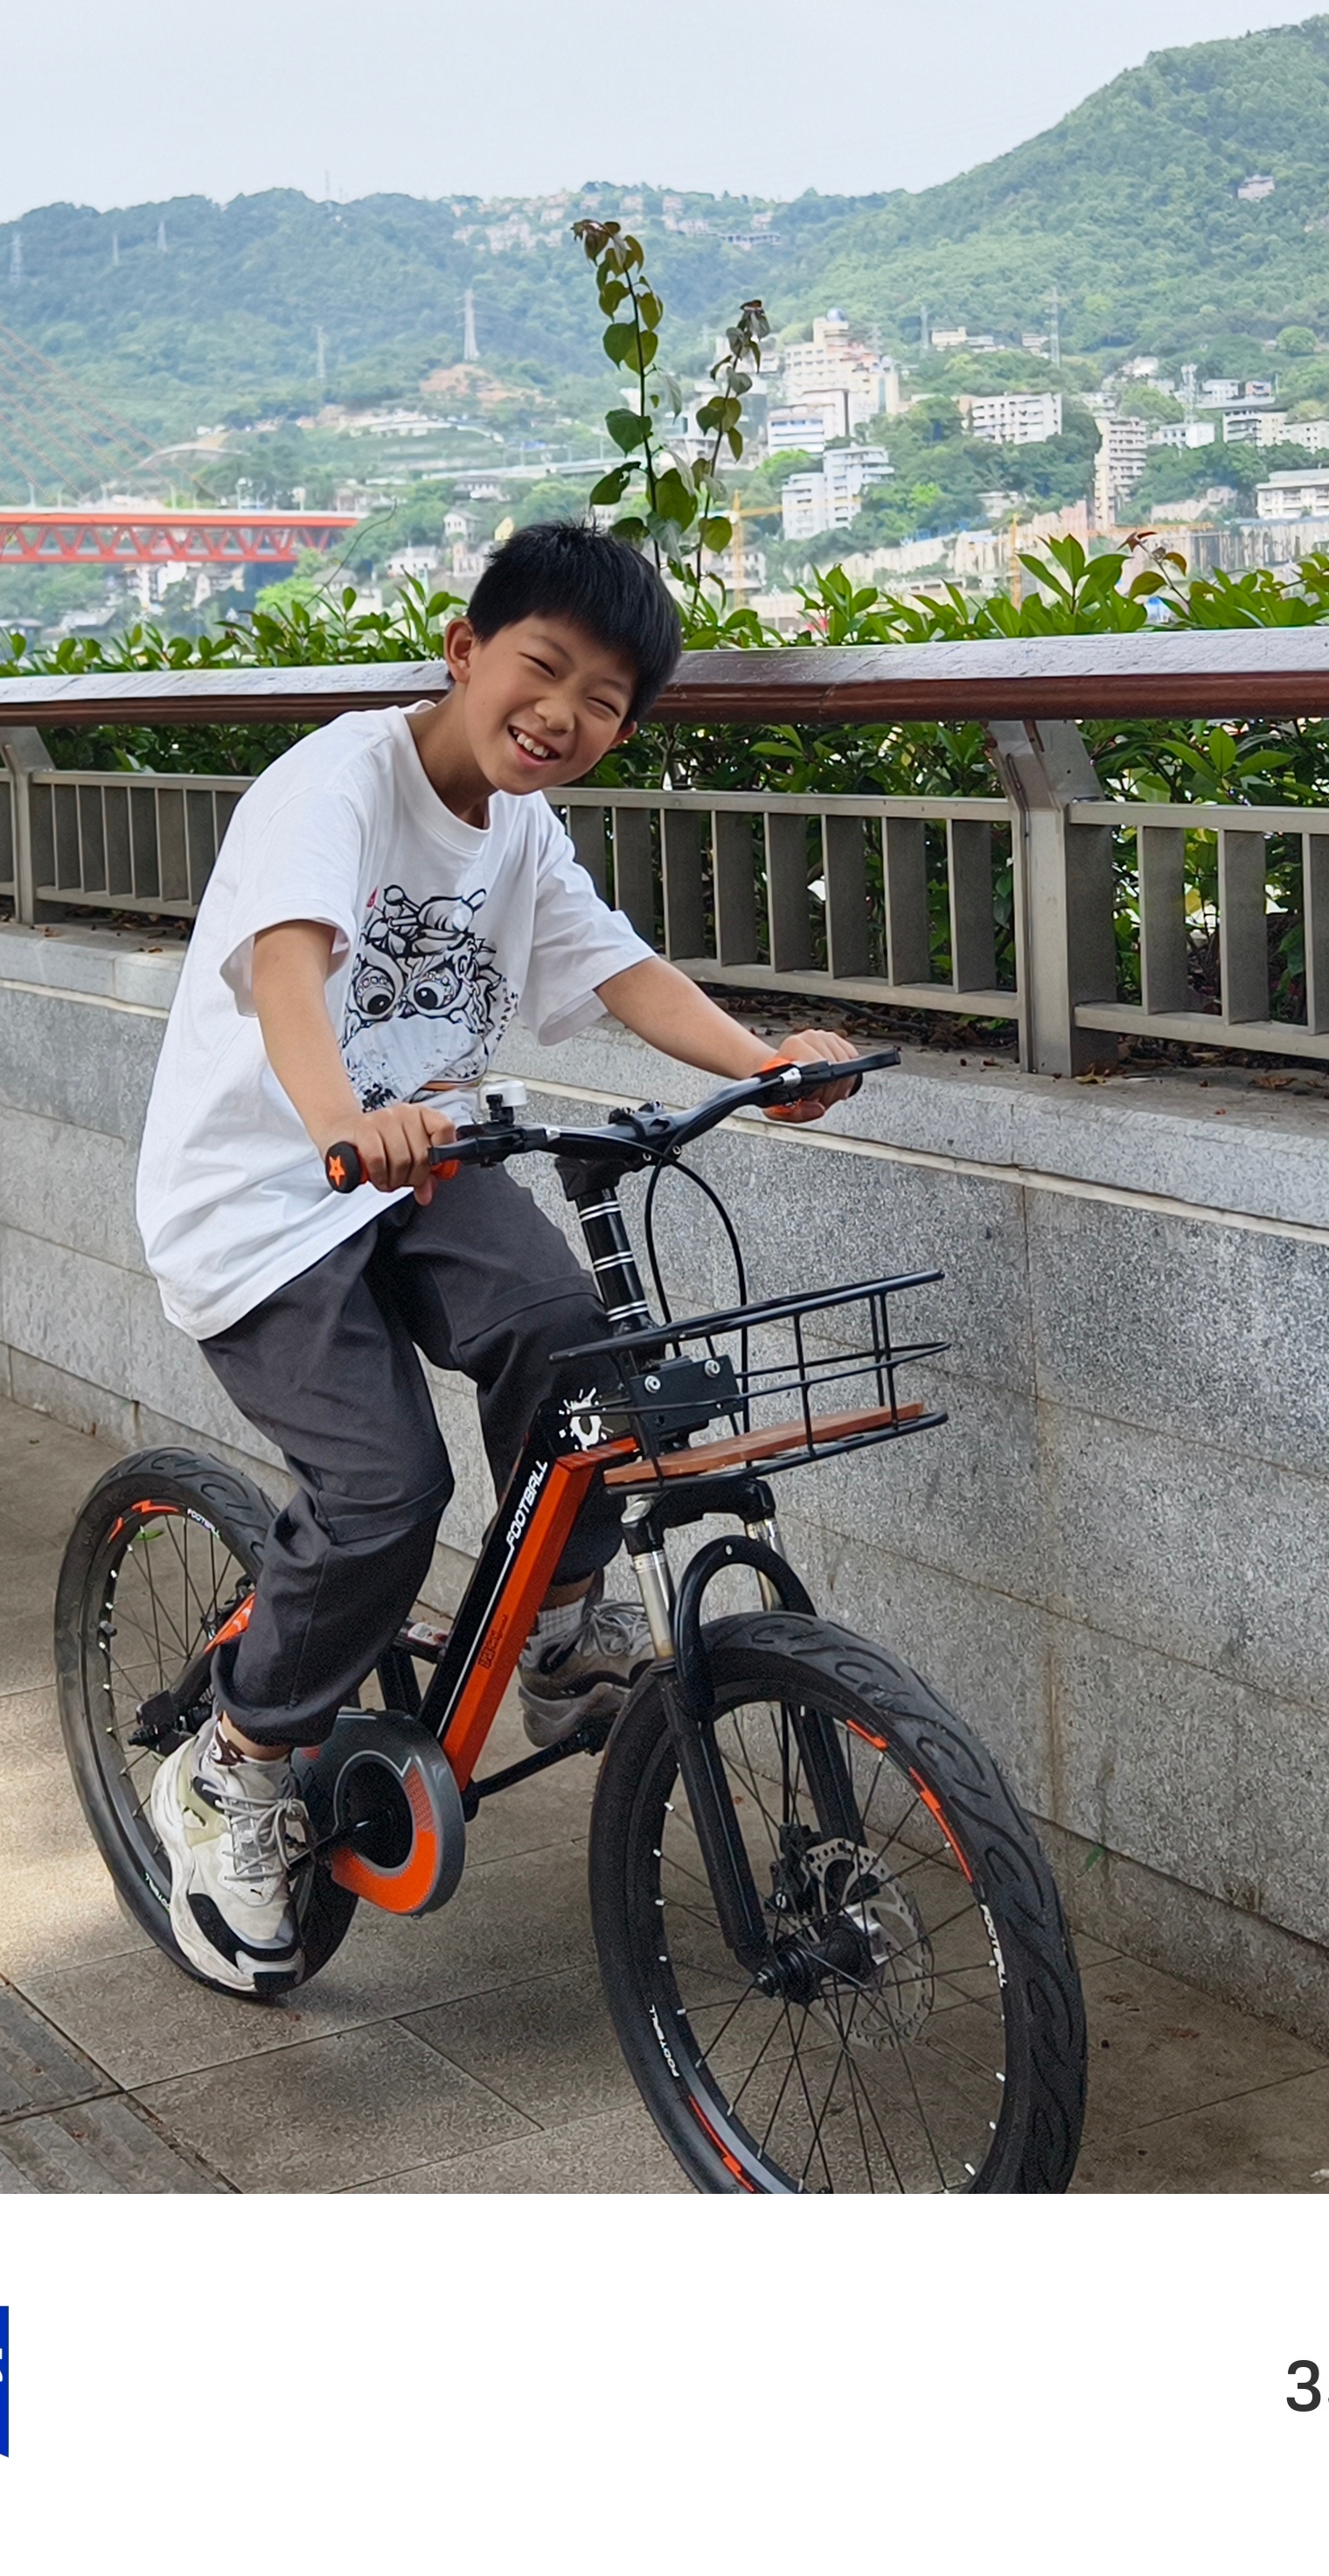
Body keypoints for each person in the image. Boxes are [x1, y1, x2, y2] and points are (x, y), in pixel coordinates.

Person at [129, 524, 862, 1990]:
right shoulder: (338, 782)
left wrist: (762, 1061)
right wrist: (343, 1121)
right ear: (465, 652)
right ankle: (233, 1764)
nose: (562, 714)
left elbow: (615, 964)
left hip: (426, 1166)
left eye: (604, 701)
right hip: (265, 1195)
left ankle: (566, 1633)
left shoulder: (519, 830)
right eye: (543, 667)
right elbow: (289, 967)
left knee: (579, 1348)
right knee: (386, 1493)